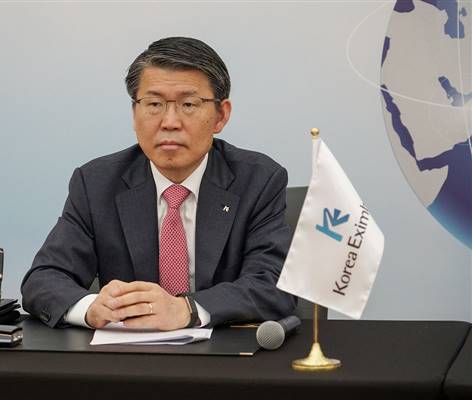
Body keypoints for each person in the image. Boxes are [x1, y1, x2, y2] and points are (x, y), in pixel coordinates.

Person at [21, 37, 296, 330]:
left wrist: (186, 310)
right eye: (154, 104)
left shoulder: (258, 181)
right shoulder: (96, 184)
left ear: (220, 115)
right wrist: (91, 308)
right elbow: (43, 279)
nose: (170, 122)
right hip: (127, 353)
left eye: (188, 104)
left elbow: (274, 285)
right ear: (134, 113)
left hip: (223, 353)